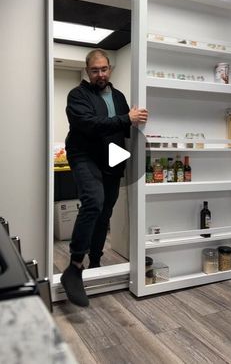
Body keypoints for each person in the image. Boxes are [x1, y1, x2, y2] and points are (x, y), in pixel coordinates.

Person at [61, 49, 148, 307]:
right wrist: (126, 118)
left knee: (105, 211)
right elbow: (89, 124)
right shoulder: (78, 95)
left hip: (112, 157)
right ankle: (75, 267)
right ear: (87, 71)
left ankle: (95, 262)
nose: (100, 74)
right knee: (94, 202)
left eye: (103, 69)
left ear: (110, 69)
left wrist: (137, 122)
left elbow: (123, 127)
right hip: (84, 155)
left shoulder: (119, 97)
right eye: (94, 70)